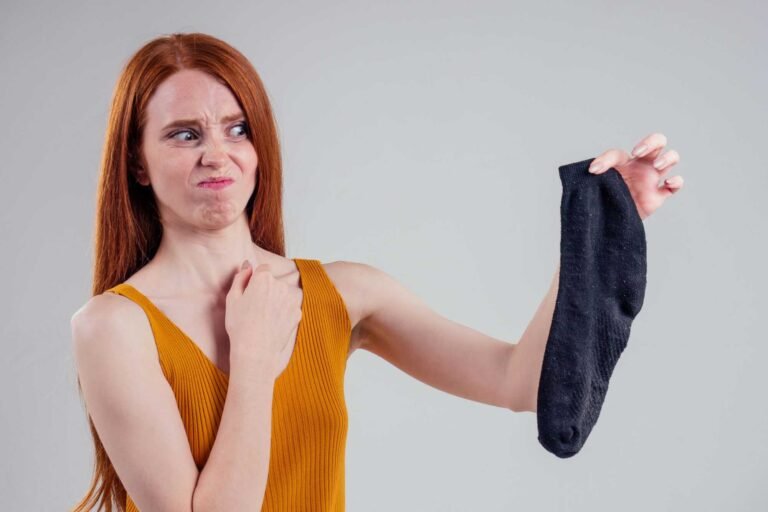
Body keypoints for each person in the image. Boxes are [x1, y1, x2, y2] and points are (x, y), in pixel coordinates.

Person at [70, 32, 684, 512]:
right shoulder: (113, 328)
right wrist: (253, 360)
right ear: (138, 163)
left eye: (238, 129)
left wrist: (597, 229)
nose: (217, 154)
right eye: (184, 135)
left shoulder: (344, 293)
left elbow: (518, 382)